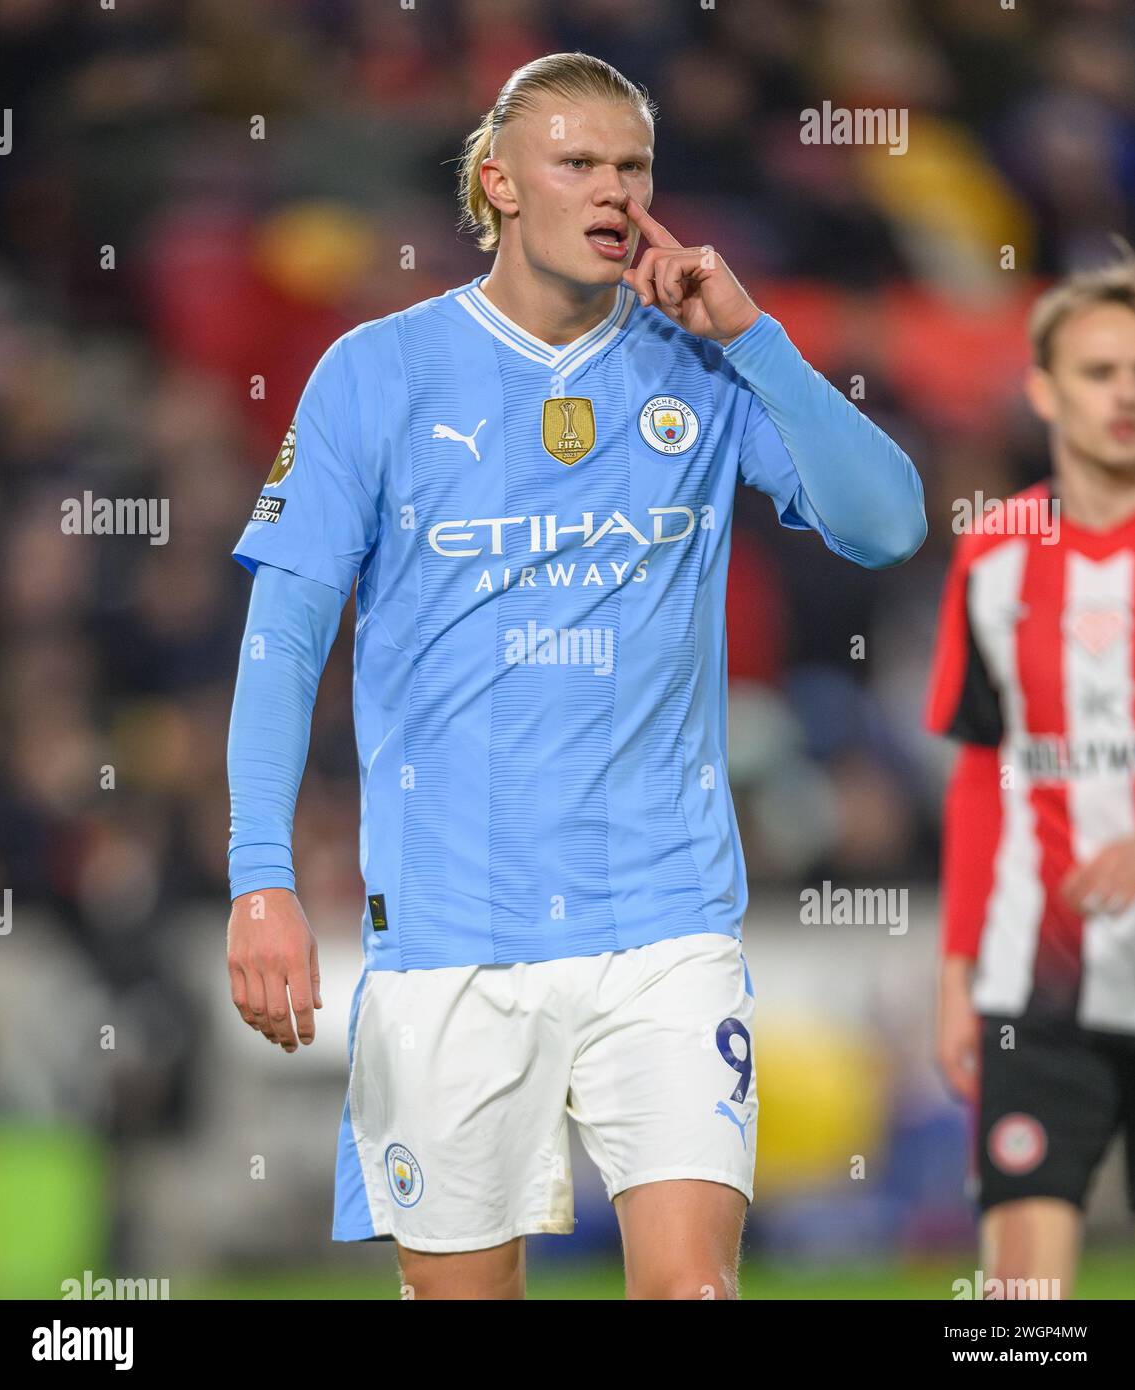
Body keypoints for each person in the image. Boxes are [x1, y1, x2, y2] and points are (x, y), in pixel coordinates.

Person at [226, 51, 925, 1300]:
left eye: (635, 165)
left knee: (689, 1292)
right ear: (498, 183)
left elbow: (889, 524)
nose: (616, 190)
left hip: (662, 924)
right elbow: (282, 639)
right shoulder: (376, 374)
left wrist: (756, 338)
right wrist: (260, 878)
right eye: (580, 163)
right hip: (445, 931)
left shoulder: (700, 367)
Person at [926, 252, 1135, 1298]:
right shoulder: (995, 553)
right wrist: (959, 969)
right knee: (1018, 1295)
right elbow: (979, 773)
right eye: (1099, 371)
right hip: (1037, 980)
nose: (1127, 394)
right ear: (1045, 389)